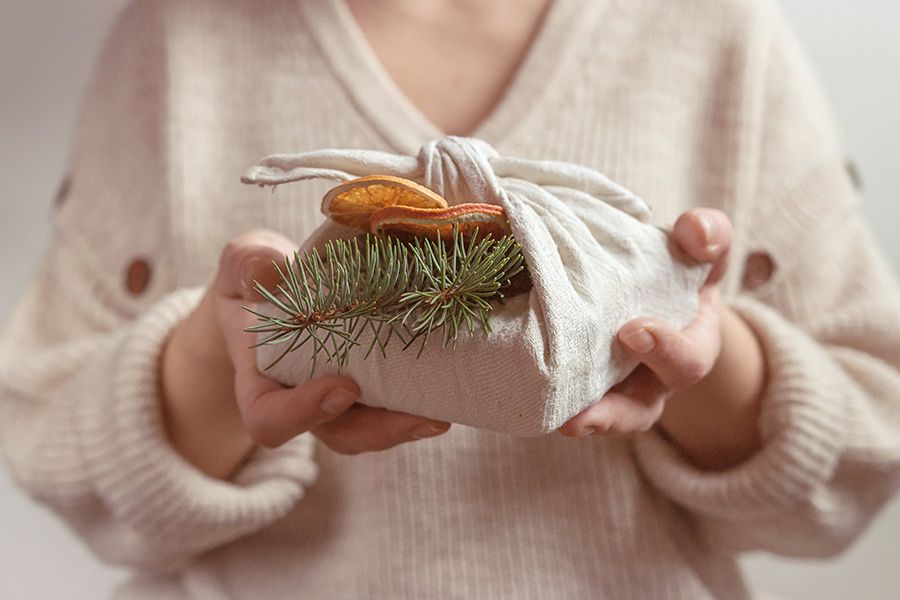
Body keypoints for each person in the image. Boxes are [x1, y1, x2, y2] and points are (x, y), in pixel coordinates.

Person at [1, 0, 898, 597]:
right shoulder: (180, 35)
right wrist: (216, 354)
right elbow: (47, 436)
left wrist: (694, 356)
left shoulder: (715, 32)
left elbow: (868, 449)